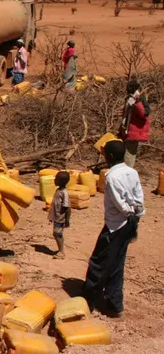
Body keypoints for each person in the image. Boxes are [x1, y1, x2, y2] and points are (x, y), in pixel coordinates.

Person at [83, 140, 144, 318]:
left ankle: (88, 301)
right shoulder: (132, 172)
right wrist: (136, 212)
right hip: (131, 221)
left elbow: (120, 204)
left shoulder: (111, 177)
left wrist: (128, 212)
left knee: (99, 262)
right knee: (117, 262)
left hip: (116, 225)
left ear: (108, 157)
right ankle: (114, 304)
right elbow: (139, 197)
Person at [119, 80, 150, 168]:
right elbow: (126, 115)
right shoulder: (129, 98)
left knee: (128, 157)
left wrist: (137, 101)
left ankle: (127, 176)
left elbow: (143, 114)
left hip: (134, 132)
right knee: (123, 155)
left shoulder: (140, 99)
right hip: (126, 131)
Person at [48, 171, 71, 259]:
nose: (54, 180)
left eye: (56, 179)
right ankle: (60, 250)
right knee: (57, 233)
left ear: (61, 181)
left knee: (57, 234)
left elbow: (68, 208)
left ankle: (61, 252)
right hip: (57, 217)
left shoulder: (64, 193)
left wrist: (67, 220)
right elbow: (55, 205)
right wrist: (52, 216)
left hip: (61, 218)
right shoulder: (58, 190)